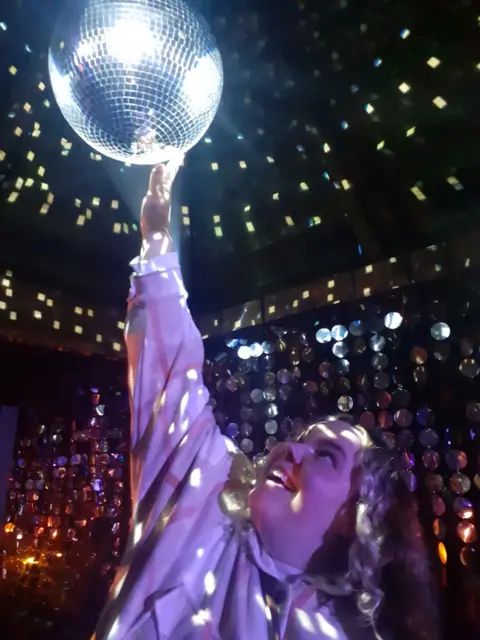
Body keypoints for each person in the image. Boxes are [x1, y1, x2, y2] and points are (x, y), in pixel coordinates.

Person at [93, 162, 439, 640]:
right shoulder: (205, 489)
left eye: (326, 457)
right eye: (302, 439)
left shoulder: (332, 632)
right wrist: (155, 232)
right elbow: (170, 371)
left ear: (353, 517)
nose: (289, 449)